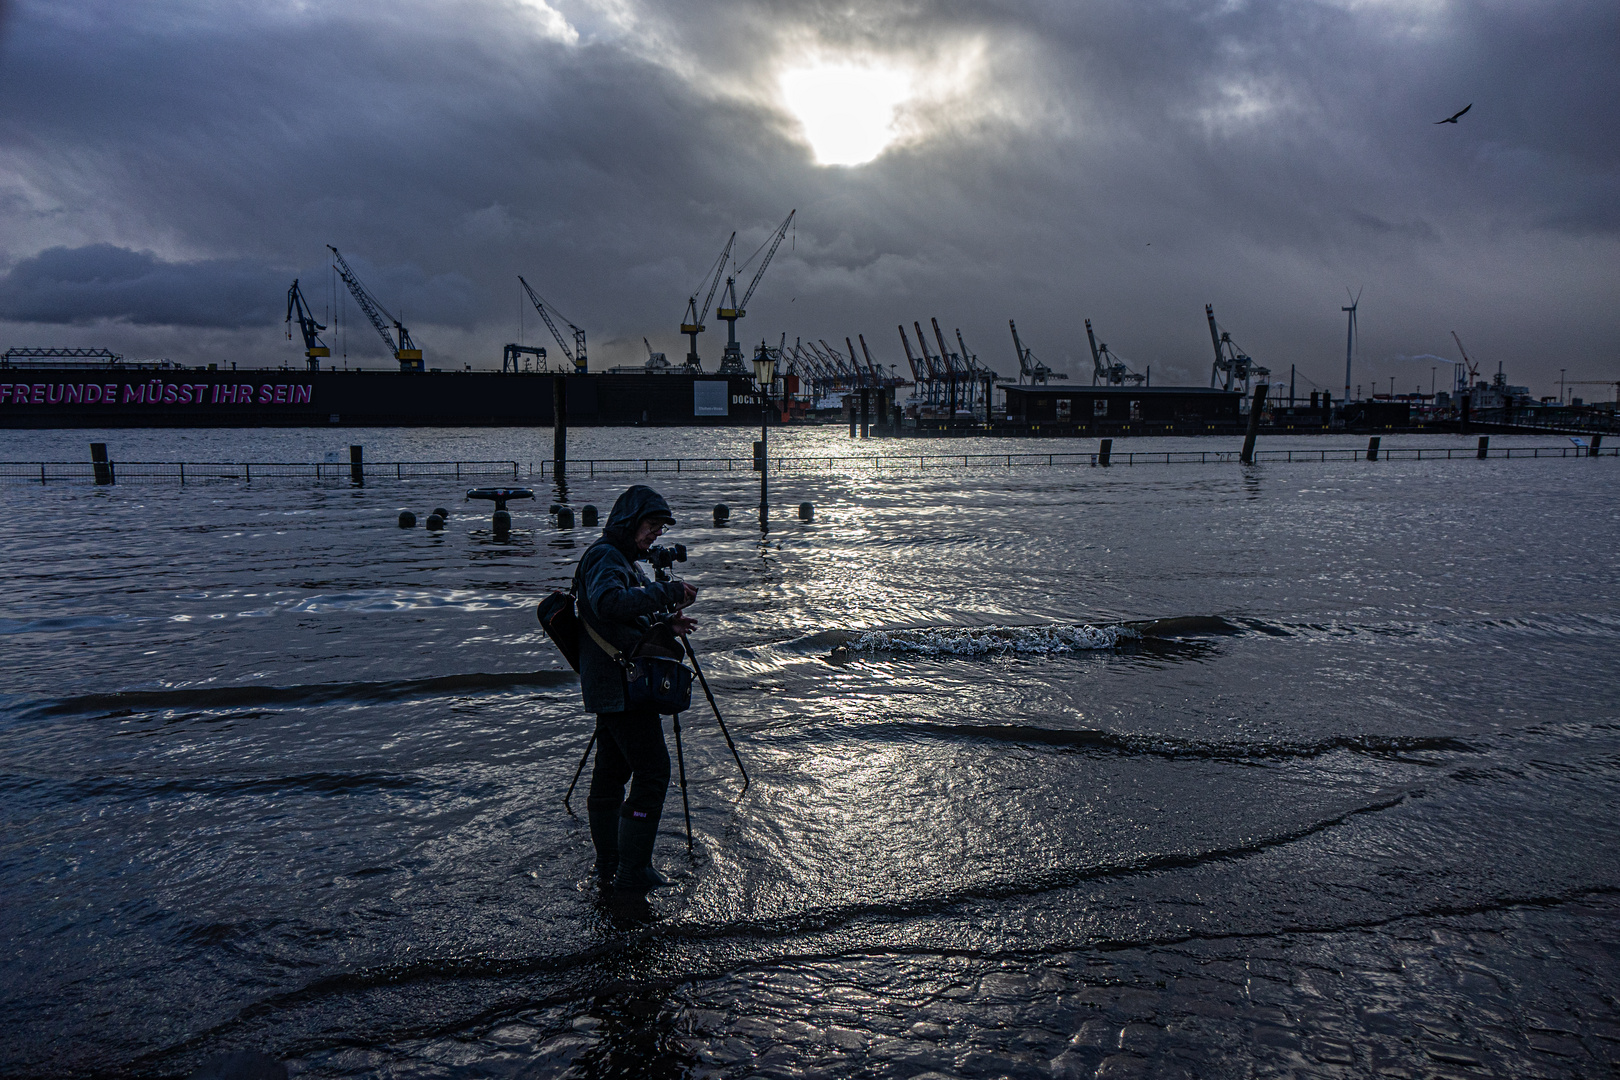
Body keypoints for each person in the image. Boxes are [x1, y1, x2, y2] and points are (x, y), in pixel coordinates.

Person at [576, 485, 698, 893]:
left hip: (614, 686)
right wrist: (666, 593)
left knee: (611, 775)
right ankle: (633, 869)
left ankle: (609, 865)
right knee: (653, 771)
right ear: (629, 521)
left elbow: (619, 620)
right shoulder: (605, 557)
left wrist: (663, 626)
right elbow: (609, 602)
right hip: (623, 687)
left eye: (660, 529)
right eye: (651, 526)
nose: (654, 535)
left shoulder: (618, 558)